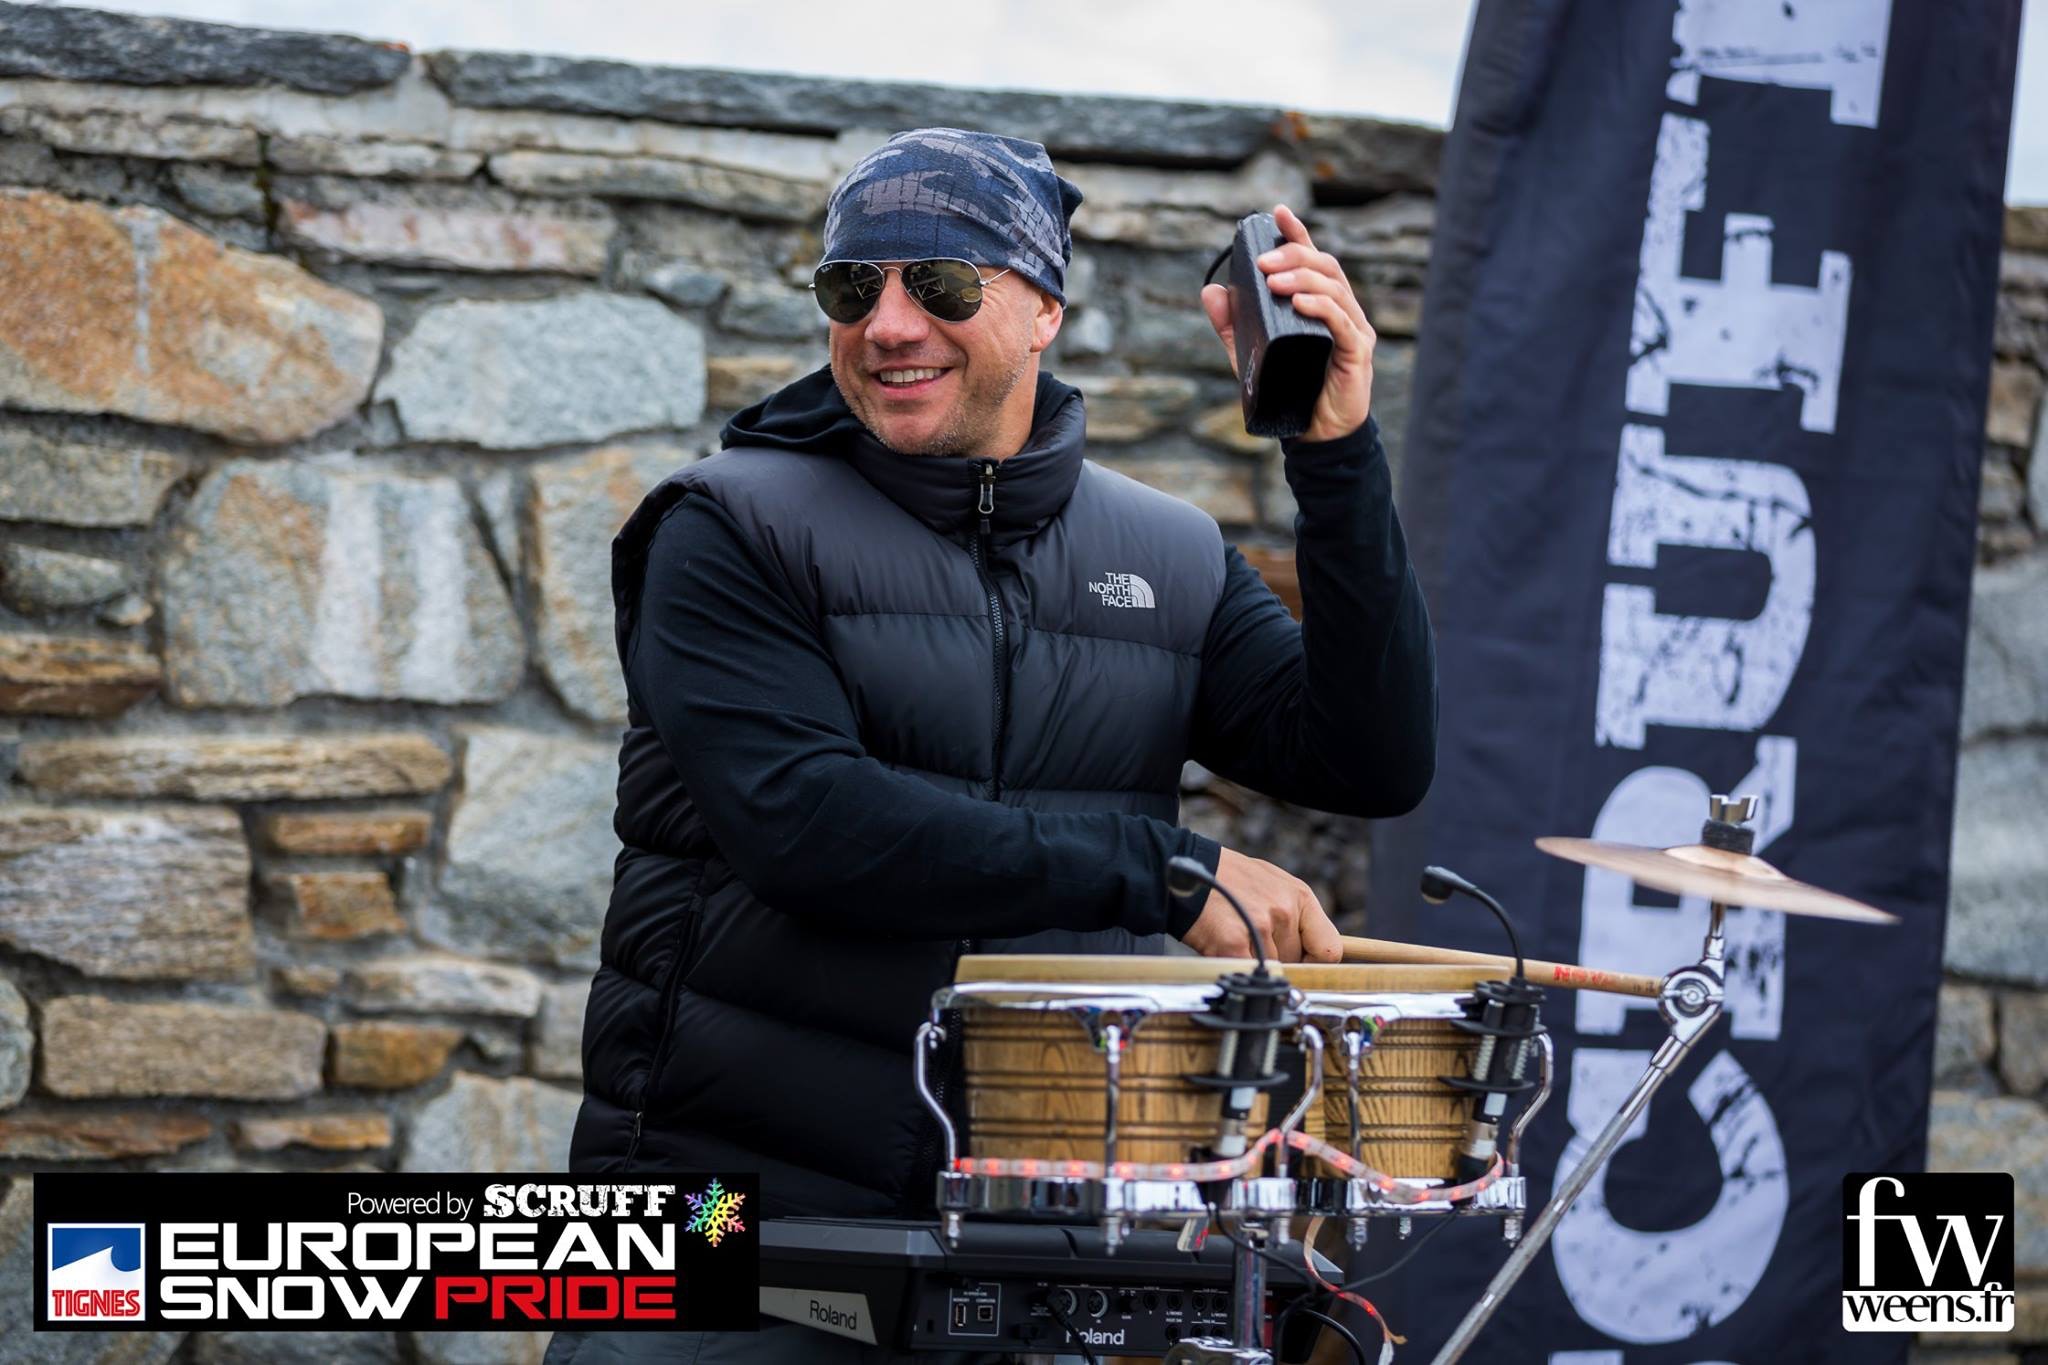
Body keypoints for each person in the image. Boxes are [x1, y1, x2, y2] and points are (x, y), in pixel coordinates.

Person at [545, 126, 1435, 1365]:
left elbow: (1370, 762)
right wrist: (1166, 873)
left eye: (941, 284)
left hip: (1045, 1233)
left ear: (1043, 311)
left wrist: (1333, 454)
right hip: (728, 1219)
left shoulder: (1169, 555)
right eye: (851, 287)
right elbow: (809, 826)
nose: (887, 325)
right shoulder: (725, 526)